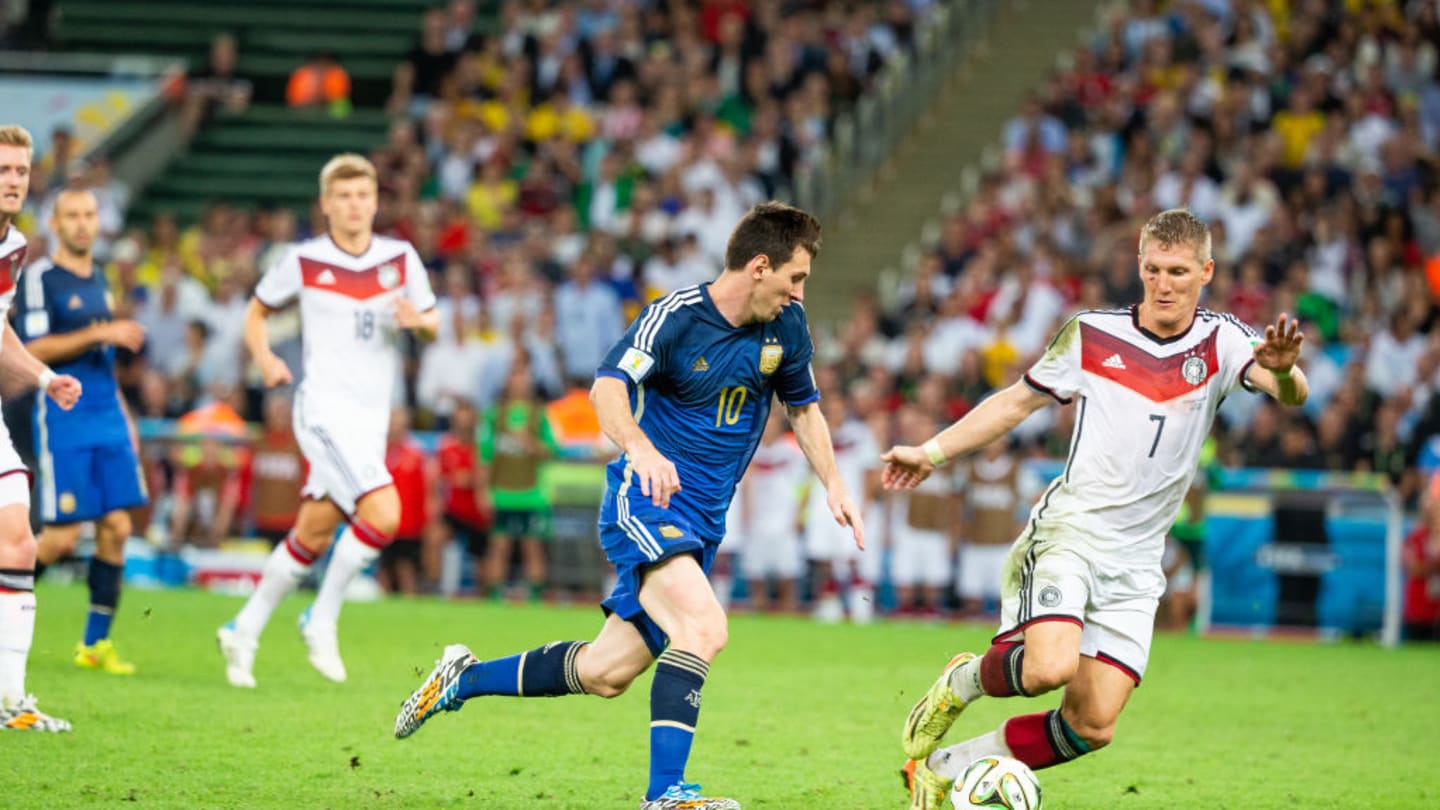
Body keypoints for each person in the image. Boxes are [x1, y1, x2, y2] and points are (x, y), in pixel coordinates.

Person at [394, 202, 864, 810]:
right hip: (645, 500)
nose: (799, 292)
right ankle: (665, 795)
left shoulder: (787, 327)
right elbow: (607, 387)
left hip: (702, 522)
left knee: (605, 673)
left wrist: (834, 482)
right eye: (794, 277)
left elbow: (802, 407)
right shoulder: (674, 318)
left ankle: (464, 678)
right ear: (758, 266)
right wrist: (640, 449)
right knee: (703, 627)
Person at [886, 209, 1310, 809]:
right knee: (1047, 668)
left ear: (1206, 272)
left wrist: (1286, 370)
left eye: (1179, 272)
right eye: (1154, 269)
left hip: (1138, 562)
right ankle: (961, 682)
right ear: (1139, 266)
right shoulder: (1093, 333)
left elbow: (1291, 394)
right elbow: (1014, 404)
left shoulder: (1223, 342)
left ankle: (944, 770)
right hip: (1072, 533)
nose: (1164, 284)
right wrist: (932, 452)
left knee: (1091, 724)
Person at [216, 153, 438, 688]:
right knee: (384, 514)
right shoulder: (304, 259)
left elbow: (432, 322)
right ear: (325, 204)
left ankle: (241, 630)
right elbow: (255, 311)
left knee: (312, 532)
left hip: (368, 423)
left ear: (375, 201)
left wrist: (418, 321)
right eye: (343, 196)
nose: (354, 205)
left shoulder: (401, 259)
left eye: (363, 195)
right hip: (321, 413)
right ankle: (322, 615)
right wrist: (266, 359)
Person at [17, 188, 147, 675]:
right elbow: (32, 349)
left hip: (106, 413)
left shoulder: (99, 277)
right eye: (71, 215)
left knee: (117, 527)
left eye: (89, 214)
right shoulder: (39, 278)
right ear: (55, 222)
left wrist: (126, 420)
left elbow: (107, 362)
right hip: (63, 414)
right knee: (61, 538)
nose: (82, 224)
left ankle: (94, 645)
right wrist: (100, 332)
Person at [0, 124, 84, 732]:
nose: (13, 181)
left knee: (19, 542)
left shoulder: (14, 247)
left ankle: (11, 703)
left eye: (21, 171)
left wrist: (43, 374)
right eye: (3, 169)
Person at [477, 359, 558, 602]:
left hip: (532, 492)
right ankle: (494, 595)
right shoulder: (493, 415)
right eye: (515, 375)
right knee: (499, 546)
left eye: (524, 375)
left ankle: (535, 596)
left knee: (532, 546)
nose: (520, 381)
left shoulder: (540, 414)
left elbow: (552, 450)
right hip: (502, 492)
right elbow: (484, 455)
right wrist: (482, 491)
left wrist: (530, 444)